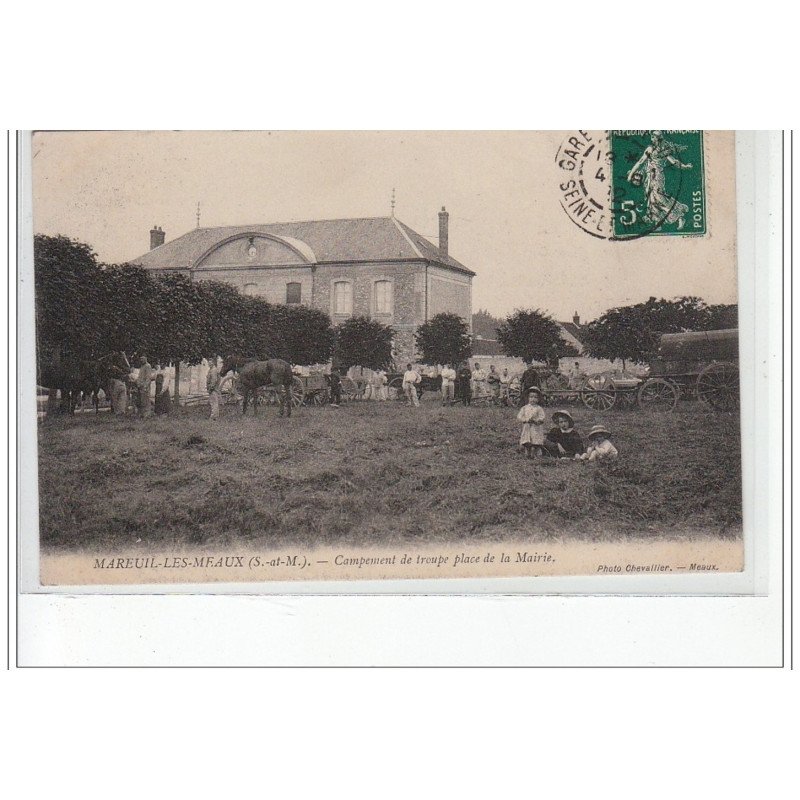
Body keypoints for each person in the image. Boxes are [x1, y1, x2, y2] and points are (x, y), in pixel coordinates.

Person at [516, 388, 547, 459]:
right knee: (527, 439)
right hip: (527, 426)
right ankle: (527, 451)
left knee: (535, 439)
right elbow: (519, 416)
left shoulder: (539, 408)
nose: (533, 399)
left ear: (538, 399)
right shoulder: (524, 408)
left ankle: (535, 451)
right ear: (528, 398)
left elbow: (542, 417)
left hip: (536, 427)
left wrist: (537, 420)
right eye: (531, 397)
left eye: (535, 397)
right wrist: (525, 420)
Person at [107, 351, 130, 415]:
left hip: (116, 382)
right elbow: (128, 368)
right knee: (121, 398)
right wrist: (125, 358)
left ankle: (118, 412)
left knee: (115, 398)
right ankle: (121, 411)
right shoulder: (121, 366)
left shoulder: (112, 367)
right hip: (120, 382)